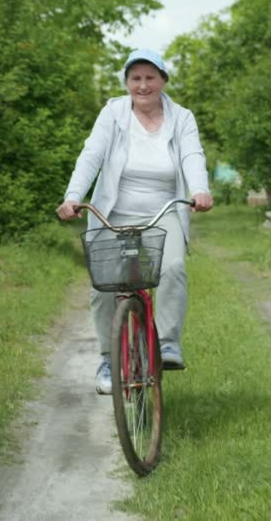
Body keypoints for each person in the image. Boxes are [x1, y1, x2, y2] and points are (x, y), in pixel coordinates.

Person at [56, 49, 213, 395]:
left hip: (163, 212)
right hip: (114, 214)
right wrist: (72, 196)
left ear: (163, 81)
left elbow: (191, 155)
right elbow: (91, 155)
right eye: (135, 79)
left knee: (172, 268)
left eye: (150, 78)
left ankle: (168, 343)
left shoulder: (181, 117)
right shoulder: (113, 114)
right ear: (127, 83)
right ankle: (108, 359)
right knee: (102, 289)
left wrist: (199, 188)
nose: (142, 86)